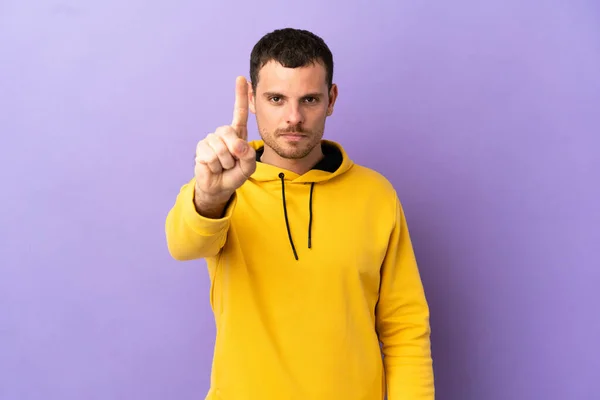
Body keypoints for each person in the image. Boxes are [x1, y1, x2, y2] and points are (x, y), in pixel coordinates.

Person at [165, 28, 434, 400]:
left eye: (309, 99)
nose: (294, 117)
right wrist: (211, 196)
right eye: (276, 98)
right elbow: (183, 244)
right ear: (252, 99)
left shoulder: (377, 194)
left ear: (331, 99)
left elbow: (405, 328)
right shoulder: (222, 187)